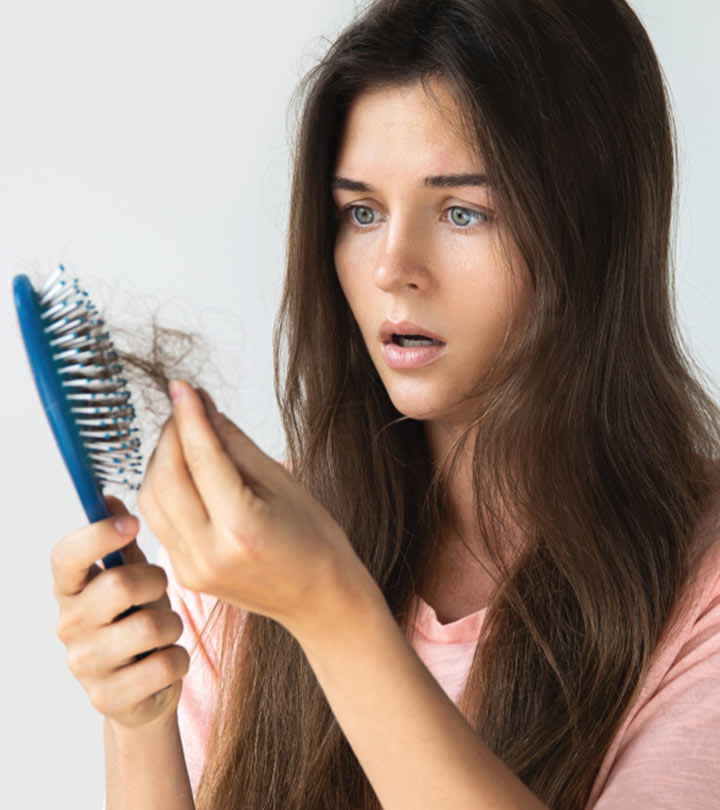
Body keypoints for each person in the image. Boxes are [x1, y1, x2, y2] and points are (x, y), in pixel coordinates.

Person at [50, 1, 720, 808]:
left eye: (463, 212)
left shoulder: (701, 580)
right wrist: (136, 719)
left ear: (595, 229)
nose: (392, 268)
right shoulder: (252, 556)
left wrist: (330, 608)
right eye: (361, 213)